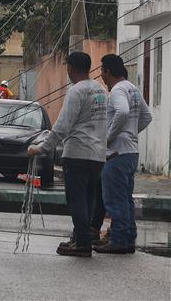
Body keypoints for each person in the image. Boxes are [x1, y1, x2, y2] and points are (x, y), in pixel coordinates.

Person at [27, 51, 107, 257]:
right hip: (97, 155)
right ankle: (81, 238)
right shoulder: (100, 90)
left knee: (76, 199)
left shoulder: (76, 91)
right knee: (89, 199)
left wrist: (42, 148)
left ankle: (81, 243)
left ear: (70, 68)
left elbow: (62, 126)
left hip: (78, 153)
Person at [91, 54, 152, 254]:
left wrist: (109, 137)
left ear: (108, 71)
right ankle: (127, 238)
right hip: (131, 152)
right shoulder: (132, 89)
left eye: (102, 70)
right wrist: (131, 133)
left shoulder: (117, 90)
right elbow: (146, 116)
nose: (101, 75)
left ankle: (118, 240)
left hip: (117, 153)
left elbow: (123, 112)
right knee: (125, 198)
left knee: (115, 199)